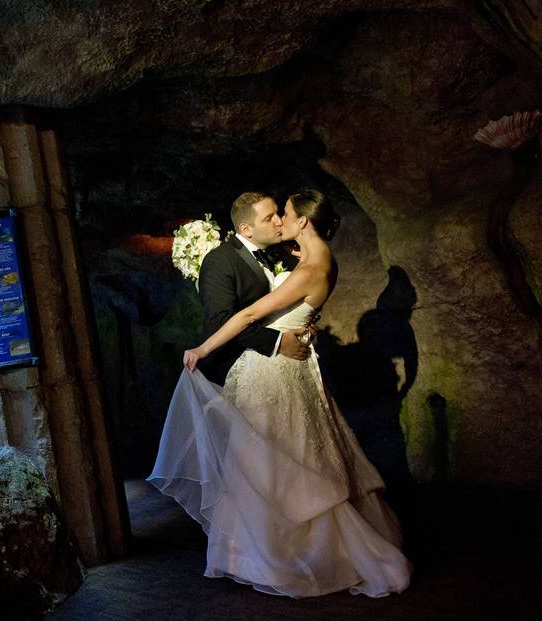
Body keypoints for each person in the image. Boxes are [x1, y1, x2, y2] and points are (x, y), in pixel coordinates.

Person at [148, 189, 411, 598]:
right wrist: (282, 336)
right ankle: (258, 551)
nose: (279, 221)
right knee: (271, 459)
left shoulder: (307, 267)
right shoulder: (302, 259)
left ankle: (287, 555)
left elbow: (252, 312)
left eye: (283, 214)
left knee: (279, 459)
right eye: (273, 216)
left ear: (302, 222)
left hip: (277, 375)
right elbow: (240, 312)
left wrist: (202, 349)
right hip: (283, 369)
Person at [196, 191, 312, 387]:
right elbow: (219, 319)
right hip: (232, 370)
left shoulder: (277, 252)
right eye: (269, 218)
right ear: (246, 229)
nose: (279, 221)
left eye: (278, 213)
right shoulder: (220, 260)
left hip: (270, 369)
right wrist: (277, 341)